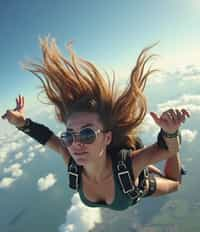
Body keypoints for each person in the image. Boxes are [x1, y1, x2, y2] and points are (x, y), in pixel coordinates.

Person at [1, 37, 190, 211]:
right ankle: (147, 165)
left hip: (138, 182)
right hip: (127, 175)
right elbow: (48, 138)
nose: (76, 144)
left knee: (175, 184)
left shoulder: (129, 164)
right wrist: (21, 122)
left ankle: (147, 169)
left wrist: (171, 132)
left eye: (87, 134)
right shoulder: (73, 162)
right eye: (68, 136)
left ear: (107, 137)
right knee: (145, 160)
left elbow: (166, 150)